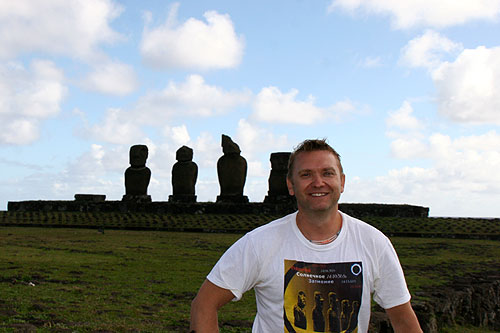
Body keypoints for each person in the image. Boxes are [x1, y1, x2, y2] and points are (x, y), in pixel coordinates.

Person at [190, 139, 422, 332]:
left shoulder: (374, 243)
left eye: (327, 173)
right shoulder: (259, 243)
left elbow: (403, 319)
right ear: (291, 185)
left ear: (342, 182)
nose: (318, 182)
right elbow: (204, 305)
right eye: (306, 174)